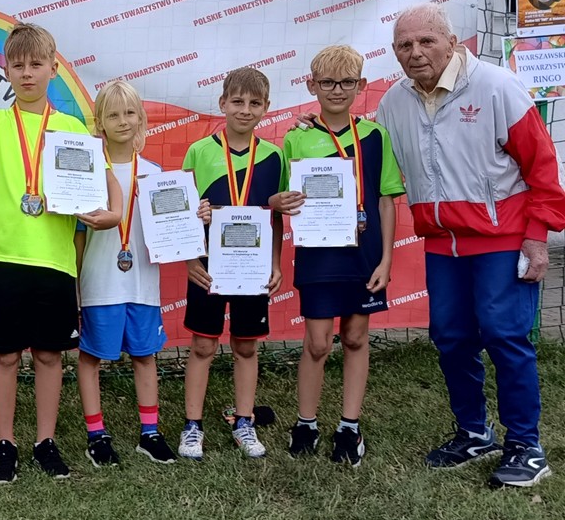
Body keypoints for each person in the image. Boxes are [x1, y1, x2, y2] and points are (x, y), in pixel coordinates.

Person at [378, 3, 565, 488]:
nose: (416, 52)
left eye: (426, 41)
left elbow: (543, 167)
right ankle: (474, 433)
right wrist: (314, 133)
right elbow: (367, 159)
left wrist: (537, 238)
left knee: (505, 336)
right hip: (442, 244)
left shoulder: (497, 86)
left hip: (502, 238)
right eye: (404, 45)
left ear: (452, 41)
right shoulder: (393, 102)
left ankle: (526, 446)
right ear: (395, 52)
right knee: (452, 338)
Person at [0, 22, 121, 483]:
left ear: (53, 69)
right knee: (4, 356)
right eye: (17, 65)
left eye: (36, 64)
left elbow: (104, 178)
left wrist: (114, 213)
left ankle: (45, 441)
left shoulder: (71, 127)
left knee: (49, 355)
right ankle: (6, 442)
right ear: (6, 70)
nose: (26, 73)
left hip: (56, 260)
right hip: (5, 257)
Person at [271, 46, 405, 466]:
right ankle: (306, 423)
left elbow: (386, 199)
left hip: (364, 254)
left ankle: (349, 426)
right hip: (317, 253)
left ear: (360, 85)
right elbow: (282, 197)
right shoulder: (297, 137)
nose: (337, 90)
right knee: (316, 343)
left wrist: (386, 260)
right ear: (312, 85)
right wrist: (281, 201)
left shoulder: (375, 135)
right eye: (327, 82)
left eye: (347, 82)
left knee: (355, 337)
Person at [180, 68, 286, 460]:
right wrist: (190, 259)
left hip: (253, 268)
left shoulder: (275, 156)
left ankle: (244, 421)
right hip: (208, 267)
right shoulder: (199, 151)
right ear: (222, 103)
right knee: (203, 345)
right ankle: (193, 426)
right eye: (237, 101)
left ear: (266, 107)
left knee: (245, 345)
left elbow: (276, 216)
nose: (245, 110)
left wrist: (275, 262)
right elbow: (183, 213)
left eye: (254, 103)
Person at [75, 80, 176, 466]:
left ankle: (150, 433)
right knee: (91, 356)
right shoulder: (87, 172)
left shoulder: (153, 174)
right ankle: (96, 435)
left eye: (129, 113)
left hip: (141, 283)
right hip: (99, 283)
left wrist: (190, 217)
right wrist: (75, 283)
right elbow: (78, 235)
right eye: (113, 114)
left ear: (141, 119)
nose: (122, 121)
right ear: (99, 122)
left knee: (145, 355)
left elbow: (170, 230)